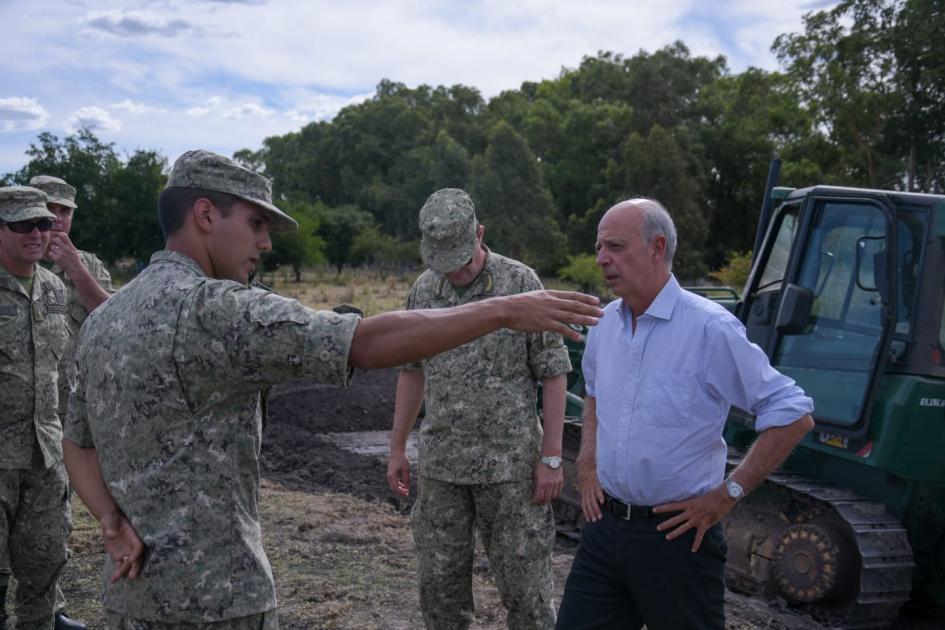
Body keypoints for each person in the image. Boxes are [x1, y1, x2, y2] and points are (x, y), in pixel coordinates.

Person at [60, 151, 602, 629]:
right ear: (205, 215)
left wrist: (111, 522)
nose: (266, 243)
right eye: (255, 223)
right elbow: (362, 342)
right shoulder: (217, 309)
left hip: (130, 596)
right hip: (219, 600)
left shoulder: (107, 318)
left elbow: (77, 443)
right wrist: (504, 309)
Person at [555, 198, 815, 630]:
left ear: (657, 247)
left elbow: (793, 413)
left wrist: (726, 495)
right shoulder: (604, 324)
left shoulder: (709, 329)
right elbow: (597, 393)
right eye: (599, 247)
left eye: (615, 246)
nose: (602, 259)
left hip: (676, 540)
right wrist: (587, 460)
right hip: (604, 530)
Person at [386, 189, 570, 630]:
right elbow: (412, 371)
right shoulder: (424, 290)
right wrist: (397, 447)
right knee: (440, 592)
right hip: (442, 469)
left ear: (480, 235)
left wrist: (550, 458)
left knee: (527, 595)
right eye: (444, 262)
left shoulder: (520, 284)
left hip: (510, 473)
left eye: (462, 260)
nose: (454, 271)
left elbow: (554, 372)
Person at [0, 186, 76, 630]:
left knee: (45, 570)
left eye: (43, 224)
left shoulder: (53, 289)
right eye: (22, 225)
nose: (36, 233)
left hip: (46, 459)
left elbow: (59, 371)